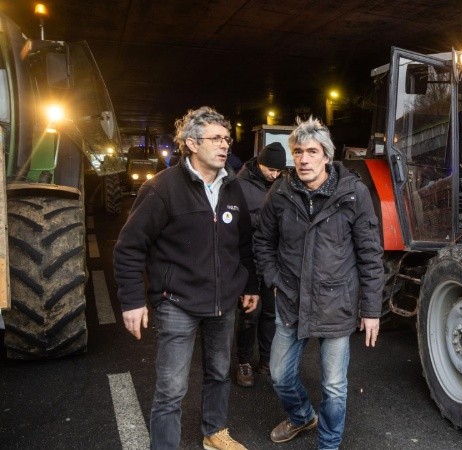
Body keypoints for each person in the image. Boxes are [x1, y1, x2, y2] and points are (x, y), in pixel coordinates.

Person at [114, 106, 259, 450]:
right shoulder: (161, 189)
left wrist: (250, 285)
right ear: (191, 144)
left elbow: (243, 243)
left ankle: (214, 432)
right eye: (216, 139)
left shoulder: (232, 188)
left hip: (223, 302)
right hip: (176, 302)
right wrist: (132, 301)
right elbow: (129, 246)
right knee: (171, 388)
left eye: (227, 139)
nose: (225, 146)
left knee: (219, 373)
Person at [253, 116, 383, 449]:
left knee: (335, 387)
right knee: (280, 375)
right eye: (298, 151)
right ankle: (301, 416)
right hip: (291, 300)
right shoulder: (280, 192)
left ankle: (328, 444)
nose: (304, 159)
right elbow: (263, 240)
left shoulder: (353, 194)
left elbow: (370, 254)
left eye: (312, 151)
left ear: (326, 155)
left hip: (336, 304)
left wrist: (371, 310)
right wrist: (272, 279)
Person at [234, 142, 287, 387]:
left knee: (270, 312)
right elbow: (235, 221)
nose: (274, 175)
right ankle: (244, 362)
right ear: (259, 162)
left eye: (278, 171)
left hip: (273, 259)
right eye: (270, 170)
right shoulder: (239, 184)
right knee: (249, 313)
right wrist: (264, 221)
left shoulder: (282, 184)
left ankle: (266, 359)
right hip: (248, 258)